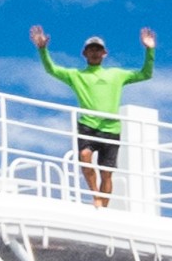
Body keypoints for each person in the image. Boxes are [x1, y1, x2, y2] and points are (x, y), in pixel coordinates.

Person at [30, 25, 156, 207]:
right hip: (88, 124)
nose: (95, 53)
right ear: (85, 54)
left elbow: (146, 74)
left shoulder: (116, 75)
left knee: (106, 173)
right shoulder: (76, 75)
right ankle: (95, 196)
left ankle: (103, 207)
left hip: (111, 128)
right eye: (91, 50)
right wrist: (42, 49)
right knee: (84, 155)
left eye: (98, 50)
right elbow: (52, 70)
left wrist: (149, 49)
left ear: (104, 54)